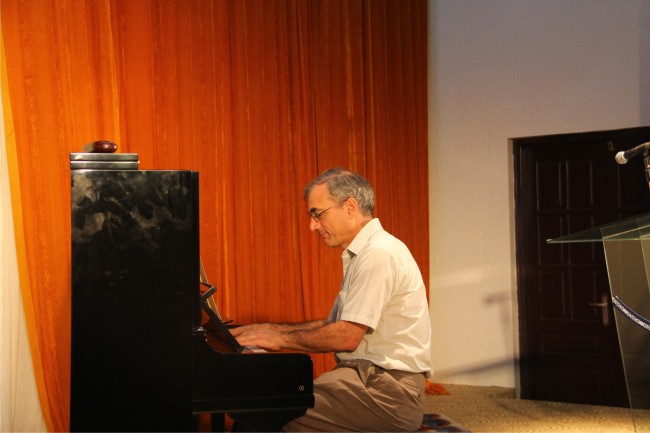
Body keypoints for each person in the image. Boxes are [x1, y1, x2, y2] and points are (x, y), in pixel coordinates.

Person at [231, 167, 433, 432]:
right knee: (268, 405)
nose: (313, 226)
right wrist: (272, 330)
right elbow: (333, 325)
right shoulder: (367, 252)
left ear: (350, 207)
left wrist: (280, 339)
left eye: (318, 214)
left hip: (389, 393)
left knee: (272, 412)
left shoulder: (379, 253)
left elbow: (346, 336)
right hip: (367, 380)